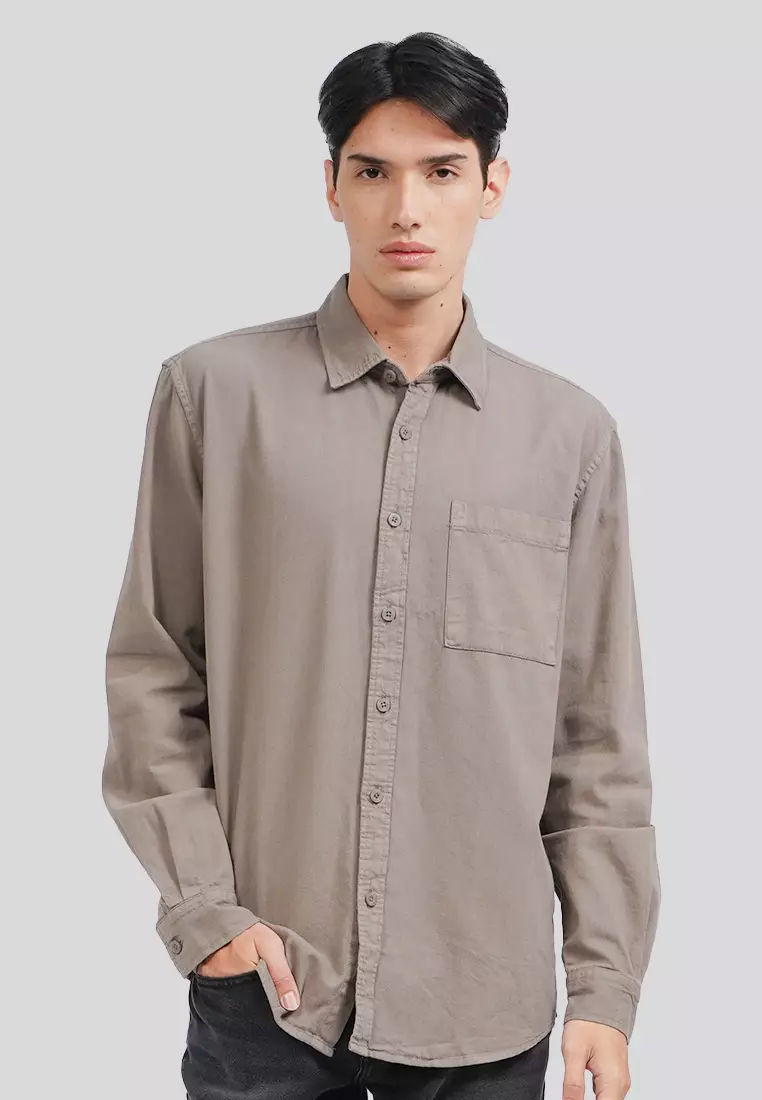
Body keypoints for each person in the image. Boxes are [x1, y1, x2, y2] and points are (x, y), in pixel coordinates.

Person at [102, 30, 661, 1100]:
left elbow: (595, 735)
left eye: (442, 171)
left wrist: (603, 984)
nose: (407, 208)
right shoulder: (212, 397)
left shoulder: (569, 438)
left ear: (492, 186)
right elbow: (153, 673)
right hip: (267, 994)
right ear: (332, 188)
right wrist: (205, 913)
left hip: (482, 1003)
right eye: (373, 172)